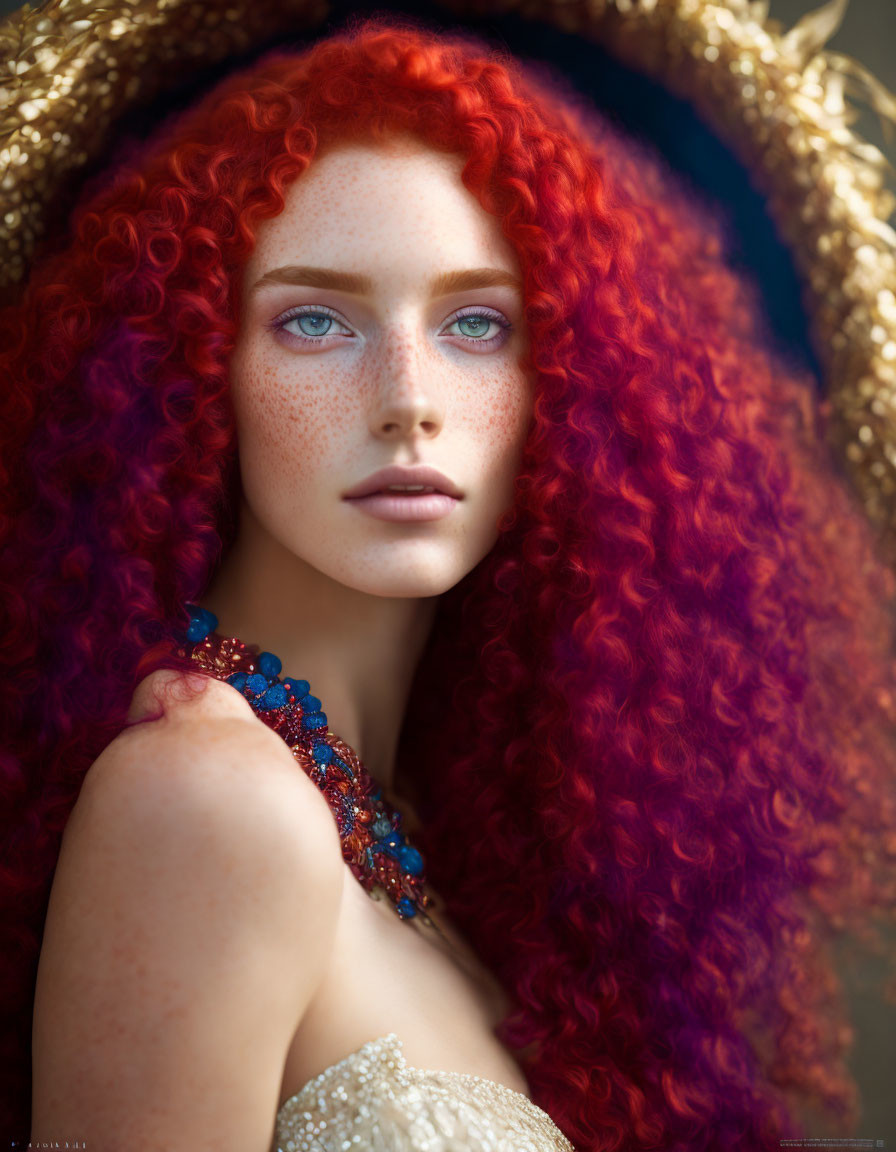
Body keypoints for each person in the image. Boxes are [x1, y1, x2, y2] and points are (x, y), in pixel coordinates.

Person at [2, 12, 896, 1151]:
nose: (406, 397)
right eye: (314, 320)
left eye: (476, 322)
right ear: (184, 365)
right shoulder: (206, 800)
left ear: (570, 385)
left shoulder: (420, 825)